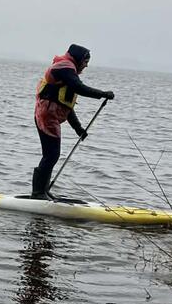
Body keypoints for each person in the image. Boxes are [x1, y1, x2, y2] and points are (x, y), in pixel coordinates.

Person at [32, 44, 114, 199]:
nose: (86, 65)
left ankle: (43, 191)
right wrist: (103, 94)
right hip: (46, 116)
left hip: (49, 116)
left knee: (51, 155)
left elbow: (66, 106)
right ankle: (37, 193)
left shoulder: (69, 71)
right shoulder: (65, 67)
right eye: (85, 61)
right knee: (51, 155)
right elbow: (80, 88)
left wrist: (78, 129)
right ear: (78, 59)